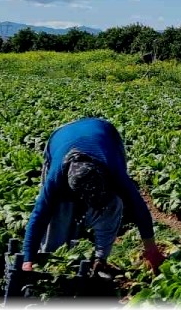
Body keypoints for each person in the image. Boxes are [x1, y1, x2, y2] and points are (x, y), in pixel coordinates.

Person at [21, 117, 164, 274]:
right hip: (61, 136)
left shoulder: (113, 171)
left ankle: (100, 260)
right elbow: (39, 216)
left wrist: (151, 249)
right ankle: (53, 261)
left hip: (105, 133)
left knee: (113, 204)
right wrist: (28, 259)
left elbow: (139, 209)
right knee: (58, 215)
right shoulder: (56, 180)